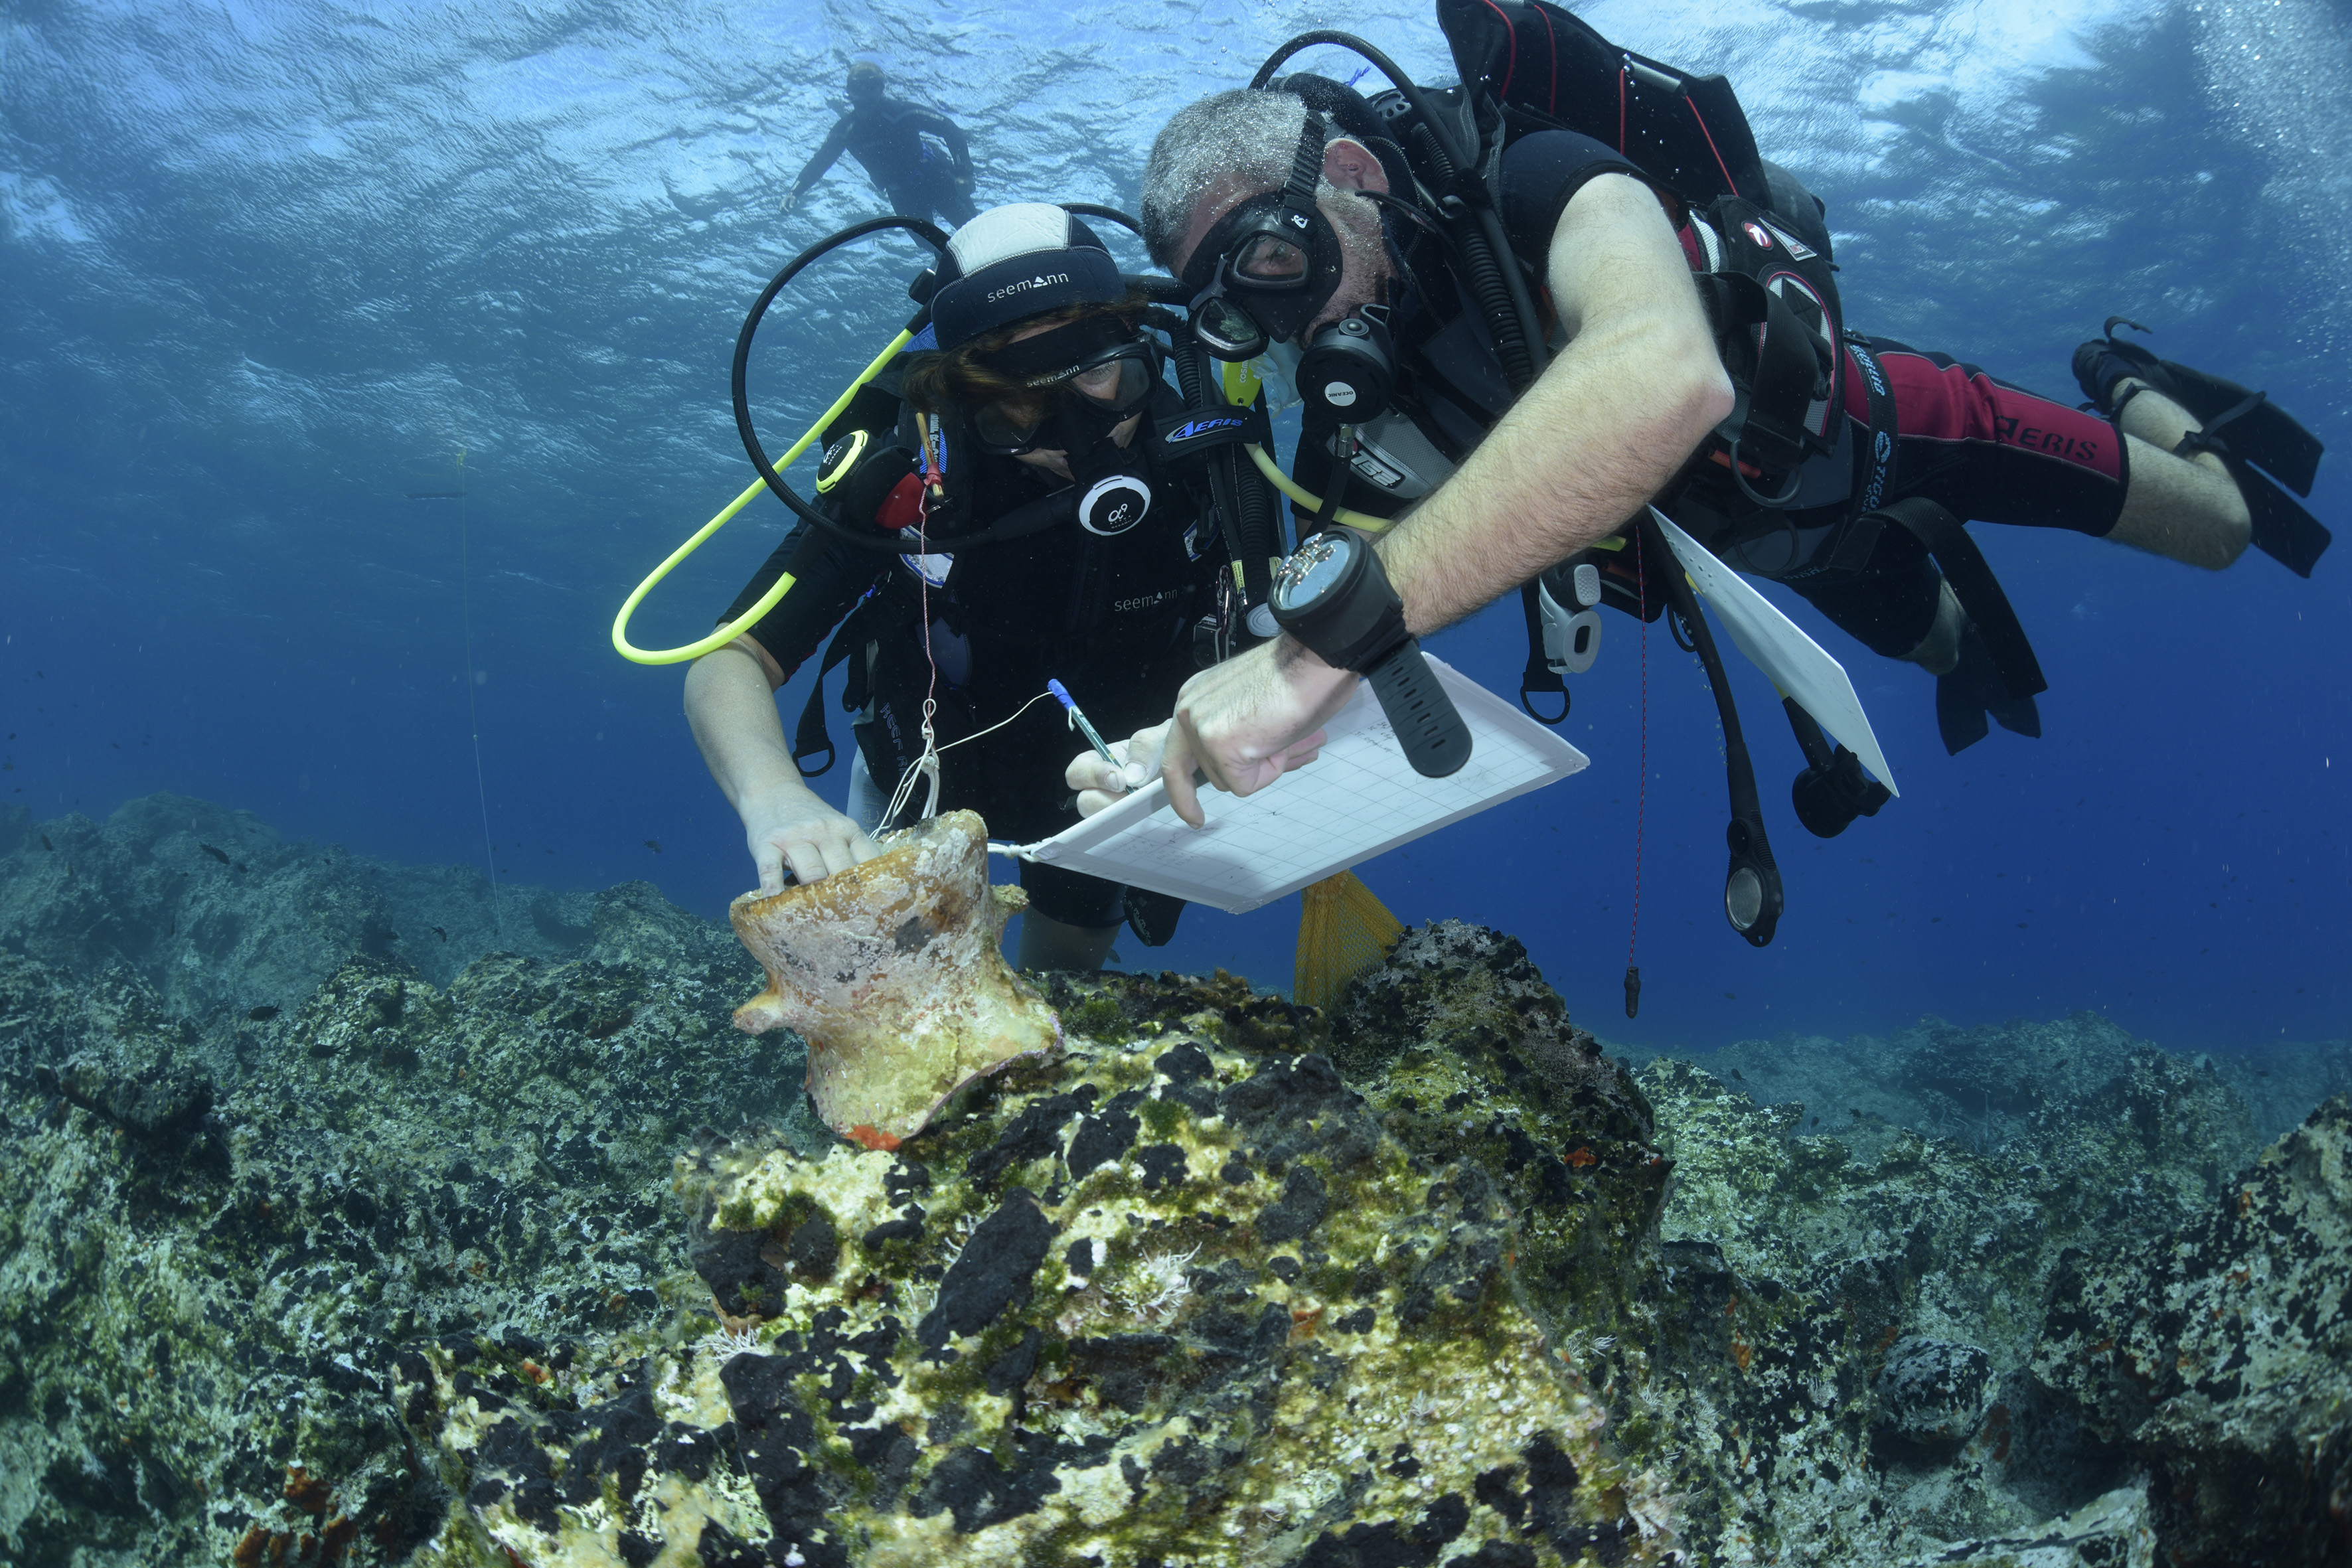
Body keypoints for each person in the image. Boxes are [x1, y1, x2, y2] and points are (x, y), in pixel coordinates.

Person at [1068, 50, 2322, 827]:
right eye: (1237, 310)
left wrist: (1312, 655)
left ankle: (2122, 378)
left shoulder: (1539, 180)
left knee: (2218, 526)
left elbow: (1665, 376)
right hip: (1771, 564)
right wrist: (1174, 742)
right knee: (1953, 651)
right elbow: (1302, 615)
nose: (1287, 320)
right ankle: (1950, 630)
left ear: (1350, 171)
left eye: (1275, 258)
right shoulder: (1361, 414)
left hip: (1892, 433)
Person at [684, 202, 1231, 971]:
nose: (1077, 437)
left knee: (1067, 985)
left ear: (1138, 350)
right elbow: (728, 659)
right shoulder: (912, 481)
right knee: (889, 988)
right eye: (1021, 405)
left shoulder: (1208, 458)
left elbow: (1277, 631)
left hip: (1110, 788)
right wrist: (775, 797)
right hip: (925, 775)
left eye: (1098, 375)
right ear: (968, 399)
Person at [779, 62, 978, 228]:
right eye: (857, 86)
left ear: (881, 88)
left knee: (975, 230)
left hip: (935, 178)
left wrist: (964, 172)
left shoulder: (901, 112)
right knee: (931, 244)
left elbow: (950, 129)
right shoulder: (845, 131)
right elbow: (821, 162)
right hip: (902, 196)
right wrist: (795, 191)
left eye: (870, 85)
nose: (864, 92)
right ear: (849, 91)